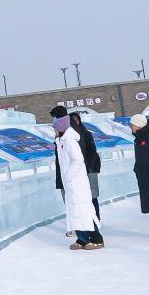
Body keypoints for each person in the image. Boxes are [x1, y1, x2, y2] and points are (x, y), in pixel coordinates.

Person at [51, 106, 103, 250]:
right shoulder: (60, 141)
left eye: (55, 126)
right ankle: (82, 238)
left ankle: (96, 238)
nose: (53, 129)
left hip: (77, 181)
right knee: (74, 211)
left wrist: (68, 175)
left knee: (84, 209)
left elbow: (78, 160)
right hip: (70, 183)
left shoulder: (70, 140)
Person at [56, 110, 102, 222]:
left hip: (89, 170)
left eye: (77, 120)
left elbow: (91, 152)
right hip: (76, 173)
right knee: (79, 199)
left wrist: (87, 168)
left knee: (92, 196)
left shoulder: (85, 134)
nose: (75, 122)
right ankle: (85, 222)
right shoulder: (65, 138)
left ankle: (95, 219)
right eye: (73, 120)